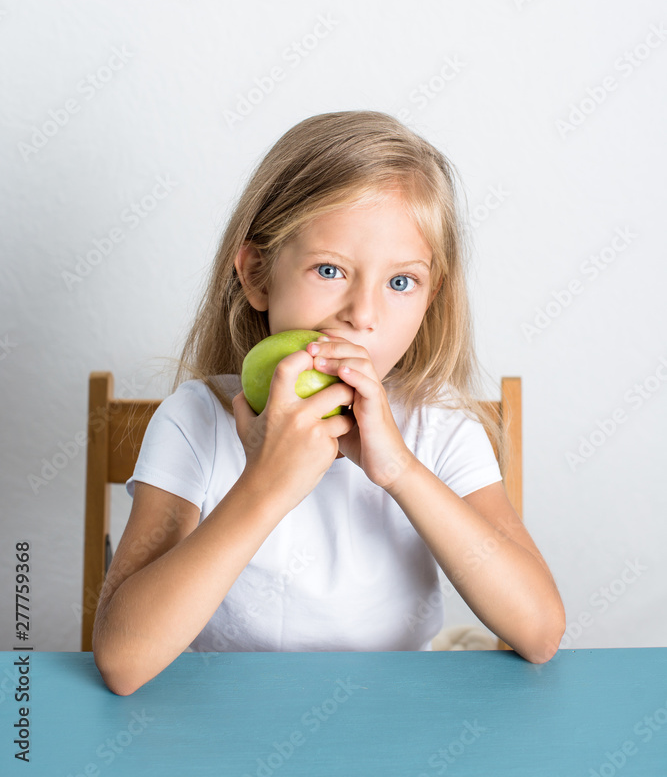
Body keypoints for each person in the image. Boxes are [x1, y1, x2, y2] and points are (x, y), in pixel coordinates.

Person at [92, 110, 566, 696]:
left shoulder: (441, 426)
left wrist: (399, 471)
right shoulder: (195, 420)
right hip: (225, 717)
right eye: (329, 270)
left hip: (395, 714)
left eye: (401, 282)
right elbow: (123, 661)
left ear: (430, 296)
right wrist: (266, 486)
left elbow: (540, 632)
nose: (362, 315)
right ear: (257, 275)